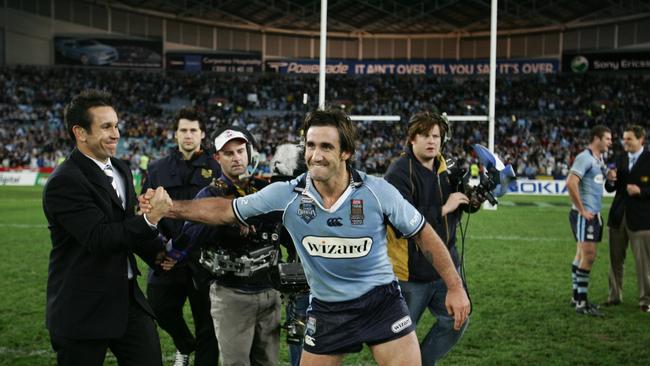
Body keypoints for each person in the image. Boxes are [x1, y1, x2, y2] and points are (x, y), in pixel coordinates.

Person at [143, 109, 471, 366]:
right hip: (327, 310)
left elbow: (424, 234)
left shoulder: (377, 191)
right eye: (310, 146)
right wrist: (170, 207)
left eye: (326, 146)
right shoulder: (288, 194)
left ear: (346, 152)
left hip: (381, 304)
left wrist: (454, 287)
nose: (315, 155)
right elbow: (226, 210)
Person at [42, 89, 173, 366]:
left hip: (127, 299)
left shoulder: (121, 168)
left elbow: (125, 226)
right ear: (80, 132)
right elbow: (99, 238)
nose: (116, 134)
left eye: (116, 125)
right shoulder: (65, 181)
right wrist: (150, 219)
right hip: (83, 307)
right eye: (106, 127)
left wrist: (159, 254)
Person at [178, 126, 282, 366]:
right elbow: (188, 238)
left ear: (248, 153)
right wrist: (224, 218)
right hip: (232, 294)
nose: (236, 157)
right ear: (217, 158)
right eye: (228, 153)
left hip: (269, 292)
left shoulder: (265, 189)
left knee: (268, 363)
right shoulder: (209, 195)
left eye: (240, 151)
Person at [384, 111, 478, 365]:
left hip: (445, 266)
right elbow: (398, 219)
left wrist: (471, 200)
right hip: (410, 272)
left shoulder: (445, 167)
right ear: (412, 138)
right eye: (425, 135)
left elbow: (460, 204)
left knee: (458, 318)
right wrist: (444, 208)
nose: (431, 141)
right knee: (401, 335)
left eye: (436, 136)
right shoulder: (398, 172)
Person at [141, 107, 221, 366]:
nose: (188, 135)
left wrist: (186, 249)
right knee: (158, 306)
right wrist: (162, 248)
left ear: (202, 135)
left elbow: (220, 214)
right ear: (175, 135)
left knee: (208, 326)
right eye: (183, 130)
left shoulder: (216, 169)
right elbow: (146, 212)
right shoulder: (157, 169)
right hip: (167, 256)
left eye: (193, 130)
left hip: (204, 260)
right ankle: (184, 343)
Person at [566, 125, 612, 317]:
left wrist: (609, 176)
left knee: (580, 255)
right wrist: (582, 210)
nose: (610, 142)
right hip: (586, 215)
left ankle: (577, 297)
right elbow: (571, 182)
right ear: (597, 138)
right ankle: (581, 303)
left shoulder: (599, 160)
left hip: (593, 214)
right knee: (589, 256)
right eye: (608, 138)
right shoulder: (584, 157)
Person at [604, 125, 650, 312]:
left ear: (641, 140)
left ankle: (645, 301)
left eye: (629, 139)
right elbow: (610, 189)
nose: (625, 142)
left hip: (641, 219)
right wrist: (610, 180)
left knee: (644, 263)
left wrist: (641, 191)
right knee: (615, 259)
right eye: (624, 138)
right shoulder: (620, 158)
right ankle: (614, 296)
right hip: (618, 216)